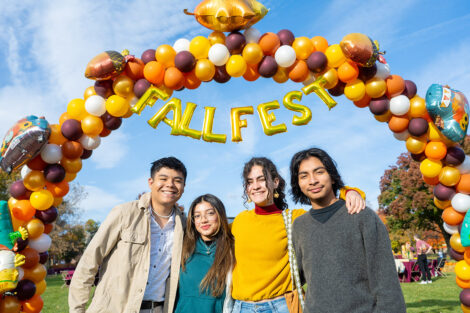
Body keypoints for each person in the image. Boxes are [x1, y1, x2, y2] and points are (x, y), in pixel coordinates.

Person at [230, 157, 366, 313]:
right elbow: (208, 230)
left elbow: (330, 210)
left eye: (261, 179)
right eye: (250, 182)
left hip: (282, 306)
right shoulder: (240, 221)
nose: (255, 186)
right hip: (242, 308)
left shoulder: (295, 218)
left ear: (275, 183)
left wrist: (350, 192)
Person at [290, 147, 406, 312]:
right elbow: (302, 274)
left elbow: (386, 282)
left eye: (319, 172)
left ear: (332, 176)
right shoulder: (299, 225)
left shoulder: (361, 215)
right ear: (298, 183)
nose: (312, 180)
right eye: (304, 176)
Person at [69, 157, 187, 313]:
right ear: (150, 182)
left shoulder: (185, 225)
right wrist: (77, 309)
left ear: (184, 186)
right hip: (114, 308)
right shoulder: (124, 213)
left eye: (177, 180)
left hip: (158, 309)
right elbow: (89, 261)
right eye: (163, 179)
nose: (170, 185)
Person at [174, 194, 234, 313]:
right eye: (197, 216)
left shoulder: (232, 248)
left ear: (220, 215)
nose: (203, 220)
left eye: (210, 213)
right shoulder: (181, 247)